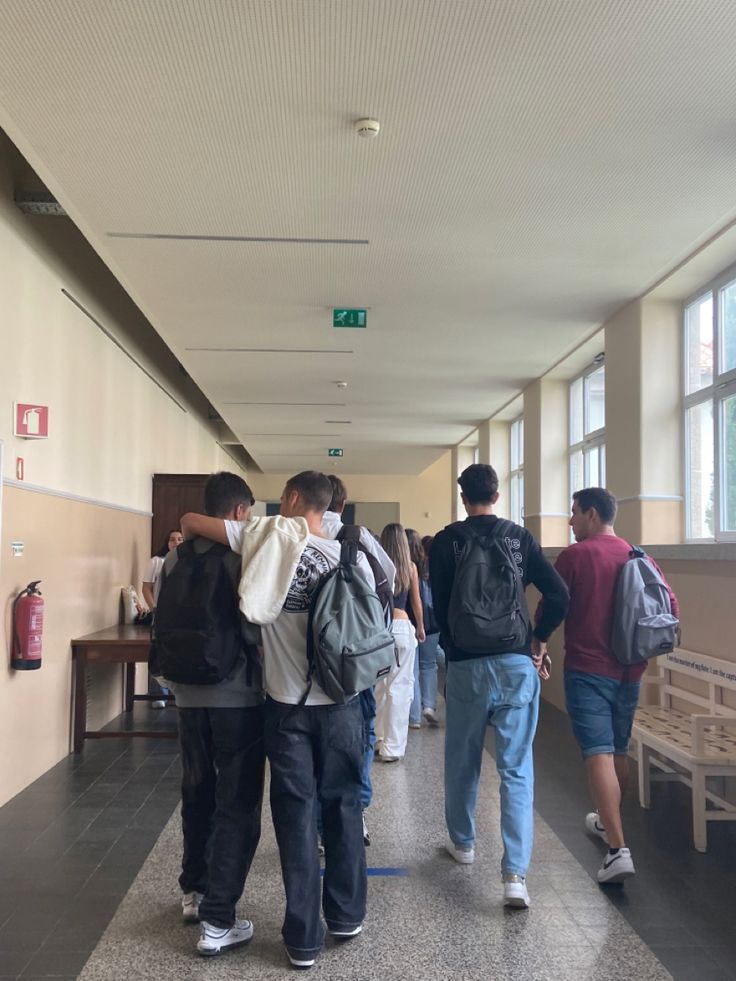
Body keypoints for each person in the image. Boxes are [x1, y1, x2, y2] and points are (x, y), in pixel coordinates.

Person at [182, 471, 372, 970]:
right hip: (343, 705)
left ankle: (302, 939)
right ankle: (348, 914)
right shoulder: (351, 556)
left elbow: (193, 521)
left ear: (290, 498)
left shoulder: (262, 538)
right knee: (345, 806)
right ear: (329, 505)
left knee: (295, 817)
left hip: (285, 708)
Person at [429, 463, 569, 909]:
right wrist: (538, 638)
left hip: (468, 664)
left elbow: (441, 605)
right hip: (515, 662)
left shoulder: (448, 541)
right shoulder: (519, 539)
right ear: (497, 494)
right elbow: (560, 594)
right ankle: (514, 876)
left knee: (462, 757)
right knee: (516, 768)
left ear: (462, 495)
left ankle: (463, 843)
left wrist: (454, 653)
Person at [536, 487, 679, 885]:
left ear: (593, 515)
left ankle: (618, 849)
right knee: (618, 749)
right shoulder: (641, 556)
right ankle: (607, 823)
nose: (570, 521)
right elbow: (670, 610)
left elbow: (553, 604)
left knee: (596, 753)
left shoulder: (576, 556)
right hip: (631, 670)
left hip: (588, 669)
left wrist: (539, 640)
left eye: (574, 513)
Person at [161, 472, 265, 956]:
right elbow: (257, 624)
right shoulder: (243, 555)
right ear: (241, 512)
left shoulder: (173, 558)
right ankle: (219, 919)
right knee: (237, 804)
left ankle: (193, 891)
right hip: (237, 696)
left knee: (196, 791)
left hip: (187, 695)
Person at [321, 475, 396, 846]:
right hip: (355, 656)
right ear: (342, 503)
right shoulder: (357, 536)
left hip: (309, 658)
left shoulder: (295, 534)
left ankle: (319, 822)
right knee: (362, 732)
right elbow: (389, 580)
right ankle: (357, 810)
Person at [374, 523, 425, 762]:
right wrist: (421, 628)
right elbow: (416, 602)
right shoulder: (410, 567)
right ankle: (393, 747)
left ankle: (377, 737)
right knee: (400, 687)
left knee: (379, 686)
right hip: (403, 628)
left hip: (380, 629)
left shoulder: (376, 564)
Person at [142, 528, 183, 708]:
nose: (176, 543)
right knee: (159, 652)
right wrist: (155, 610)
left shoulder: (187, 560)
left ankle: (178, 692)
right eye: (172, 539)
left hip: (180, 616)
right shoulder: (157, 562)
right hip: (161, 614)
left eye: (180, 539)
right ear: (167, 543)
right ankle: (158, 694)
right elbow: (146, 588)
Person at [406, 528, 441, 728]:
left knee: (412, 669)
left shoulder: (402, 565)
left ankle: (415, 716)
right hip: (432, 622)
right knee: (429, 665)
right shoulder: (429, 565)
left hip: (409, 621)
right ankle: (429, 705)